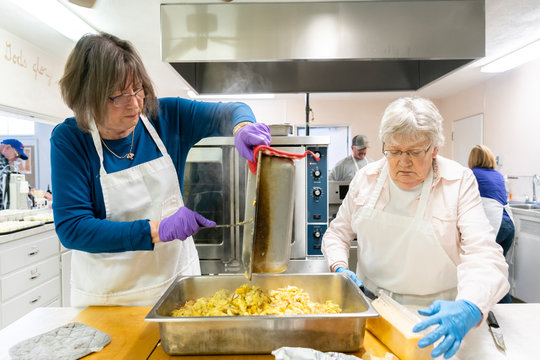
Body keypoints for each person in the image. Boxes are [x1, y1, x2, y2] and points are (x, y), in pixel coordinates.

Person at [50, 32, 271, 307]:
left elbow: (231, 111)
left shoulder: (165, 117)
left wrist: (243, 128)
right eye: (118, 96)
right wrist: (157, 230)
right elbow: (73, 228)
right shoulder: (70, 139)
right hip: (108, 298)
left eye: (138, 89)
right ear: (87, 98)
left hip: (175, 285)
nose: (134, 103)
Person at [322, 97, 509, 359]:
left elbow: (484, 254)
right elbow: (337, 234)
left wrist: (470, 306)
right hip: (372, 310)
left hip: (438, 318)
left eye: (415, 152)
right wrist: (339, 267)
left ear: (434, 149)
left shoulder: (458, 181)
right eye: (395, 151)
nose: (403, 162)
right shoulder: (366, 179)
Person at [468, 144, 514, 303]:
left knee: (484, 268)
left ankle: (483, 306)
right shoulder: (498, 175)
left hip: (495, 225)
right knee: (496, 269)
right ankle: (504, 309)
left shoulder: (472, 174)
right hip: (509, 225)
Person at [0, 139, 29, 209]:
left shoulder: (5, 163)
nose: (16, 159)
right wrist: (30, 190)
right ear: (7, 147)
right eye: (16, 155)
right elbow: (4, 181)